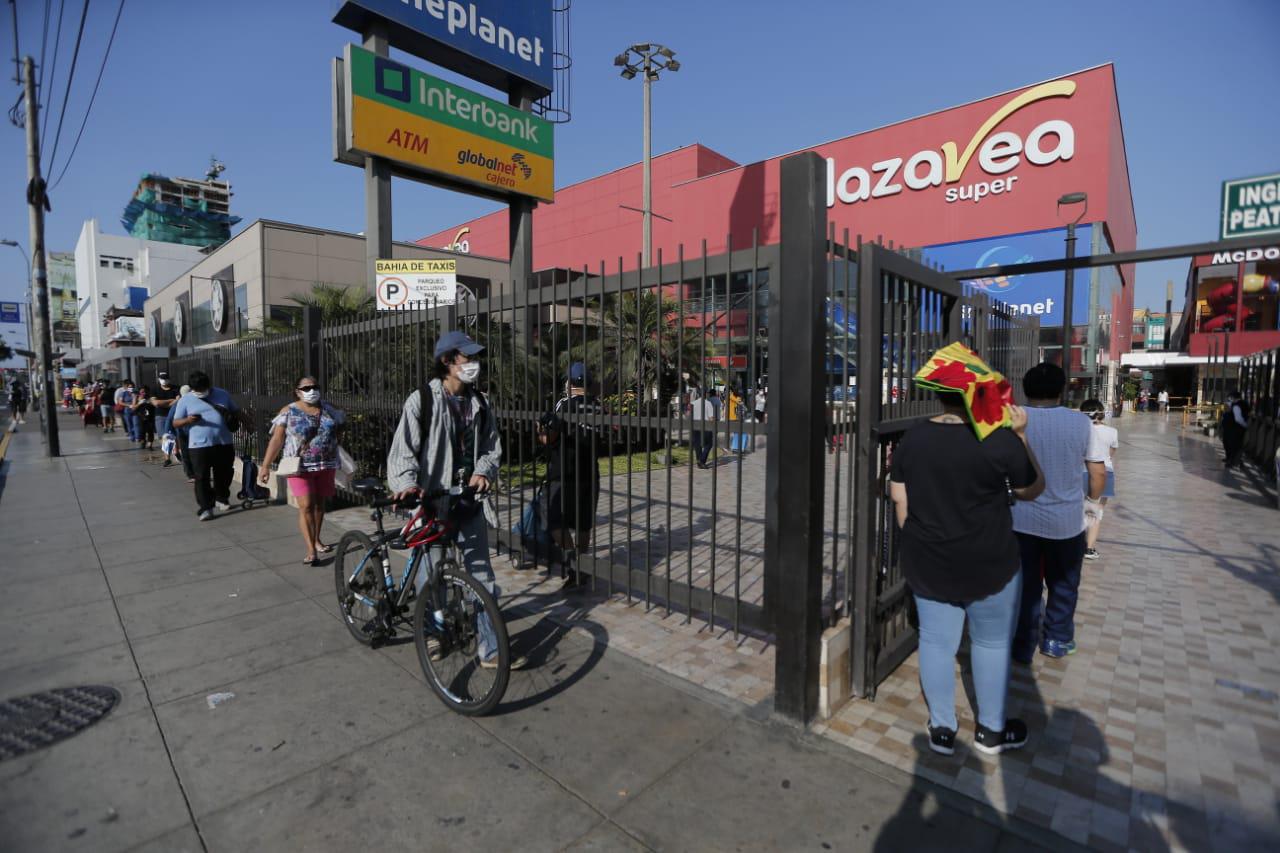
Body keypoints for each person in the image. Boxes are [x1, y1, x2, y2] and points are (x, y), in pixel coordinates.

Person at [889, 346, 1043, 756]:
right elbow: (1031, 490)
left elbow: (899, 498)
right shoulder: (998, 440)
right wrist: (1023, 436)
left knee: (937, 643)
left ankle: (941, 729)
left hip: (929, 560)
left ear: (939, 391)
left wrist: (923, 538)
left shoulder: (914, 437)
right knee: (991, 645)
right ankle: (991, 732)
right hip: (991, 562)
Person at [386, 330, 518, 670]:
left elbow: (491, 447)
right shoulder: (423, 401)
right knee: (431, 577)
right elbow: (403, 453)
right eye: (468, 358)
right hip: (432, 503)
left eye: (475, 358)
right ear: (447, 361)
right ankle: (433, 632)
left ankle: (490, 650)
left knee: (482, 578)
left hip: (469, 502)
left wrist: (485, 472)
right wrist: (406, 485)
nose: (474, 364)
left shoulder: (480, 402)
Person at [1011, 363, 1108, 662]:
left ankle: (1023, 646)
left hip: (1020, 521)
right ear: (1062, 389)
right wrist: (1092, 503)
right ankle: (1056, 639)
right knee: (1064, 584)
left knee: (1025, 587)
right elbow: (1097, 473)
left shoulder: (1012, 421)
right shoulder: (1081, 423)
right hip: (1066, 522)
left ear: (1025, 388)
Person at [259, 376, 345, 564]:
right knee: (306, 505)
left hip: (325, 465)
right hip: (299, 467)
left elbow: (339, 430)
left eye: (315, 386)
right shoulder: (288, 411)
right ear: (297, 391)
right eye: (306, 388)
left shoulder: (328, 408)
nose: (311, 390)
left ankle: (317, 539)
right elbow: (277, 440)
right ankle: (311, 549)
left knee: (320, 505)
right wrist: (265, 466)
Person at [543, 362, 602, 585]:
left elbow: (552, 434)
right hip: (589, 471)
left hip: (564, 471)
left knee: (554, 520)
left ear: (569, 383)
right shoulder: (597, 407)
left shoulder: (563, 404)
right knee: (584, 523)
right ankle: (582, 565)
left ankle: (573, 562)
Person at [171, 371, 240, 521]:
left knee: (225, 473)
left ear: (208, 385)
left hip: (224, 442)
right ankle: (206, 507)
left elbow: (236, 410)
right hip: (198, 445)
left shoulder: (222, 394)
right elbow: (175, 422)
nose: (201, 392)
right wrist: (188, 420)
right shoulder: (186, 400)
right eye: (197, 390)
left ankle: (221, 497)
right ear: (192, 388)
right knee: (201, 477)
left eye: (203, 388)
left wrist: (248, 423)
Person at [1079, 399, 1118, 561]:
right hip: (1105, 473)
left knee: (1078, 510)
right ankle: (1089, 548)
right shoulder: (1112, 431)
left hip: (1081, 472)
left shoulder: (1080, 431)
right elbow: (1111, 452)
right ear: (1101, 413)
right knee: (1096, 512)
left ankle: (1076, 543)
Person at [689, 386, 720, 469]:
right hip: (705, 426)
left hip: (695, 425)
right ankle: (702, 461)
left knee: (697, 444)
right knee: (709, 443)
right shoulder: (708, 403)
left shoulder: (693, 403)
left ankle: (699, 460)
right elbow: (711, 417)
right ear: (706, 394)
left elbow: (689, 415)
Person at [1221, 388, 1250, 469]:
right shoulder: (1239, 404)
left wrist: (1245, 425)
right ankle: (1234, 461)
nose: (1229, 399)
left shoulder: (1237, 405)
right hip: (1234, 429)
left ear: (1234, 397)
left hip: (1235, 429)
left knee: (1234, 446)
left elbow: (1238, 419)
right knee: (1233, 445)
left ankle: (1232, 462)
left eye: (1230, 397)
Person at [133, 386, 158, 450]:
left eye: (144, 392)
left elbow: (156, 405)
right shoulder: (137, 398)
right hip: (141, 417)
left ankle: (150, 445)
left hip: (150, 417)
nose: (143, 393)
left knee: (150, 431)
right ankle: (143, 442)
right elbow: (133, 408)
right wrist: (140, 403)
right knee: (142, 431)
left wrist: (150, 402)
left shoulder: (150, 398)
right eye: (141, 392)